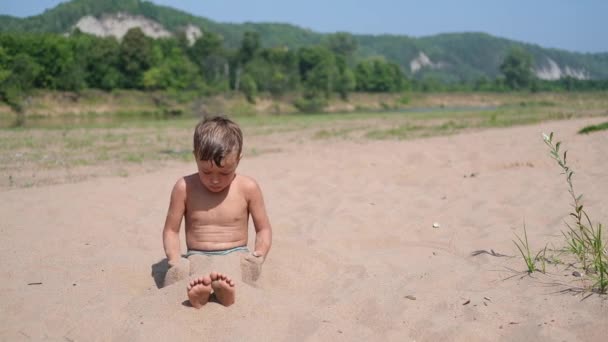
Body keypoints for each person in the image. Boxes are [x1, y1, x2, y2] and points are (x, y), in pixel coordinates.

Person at [162, 115, 272, 309]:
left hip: (236, 254)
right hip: (196, 255)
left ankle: (227, 296)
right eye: (206, 172)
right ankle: (199, 297)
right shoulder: (184, 187)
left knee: (245, 270)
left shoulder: (248, 187)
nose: (214, 180)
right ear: (195, 156)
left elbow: (263, 228)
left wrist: (259, 254)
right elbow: (171, 230)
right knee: (177, 275)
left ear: (238, 160)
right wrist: (174, 259)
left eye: (224, 173)